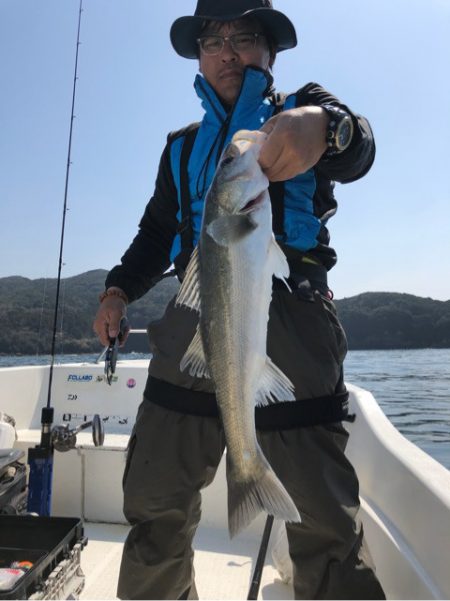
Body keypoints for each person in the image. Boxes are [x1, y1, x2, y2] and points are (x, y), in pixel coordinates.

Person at [93, 1, 385, 599]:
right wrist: (118, 290)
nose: (227, 51)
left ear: (269, 51)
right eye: (212, 39)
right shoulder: (181, 148)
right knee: (153, 501)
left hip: (294, 318)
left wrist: (325, 128)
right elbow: (156, 234)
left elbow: (358, 147)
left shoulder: (304, 111)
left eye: (245, 36)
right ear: (199, 55)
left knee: (323, 522)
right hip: (195, 315)